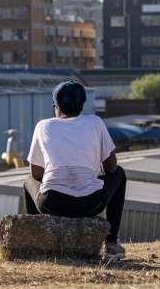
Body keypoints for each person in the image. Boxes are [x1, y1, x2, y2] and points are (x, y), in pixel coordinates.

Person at [23, 79, 127, 259]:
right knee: (120, 174)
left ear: (57, 107)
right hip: (90, 203)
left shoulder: (43, 125)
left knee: (27, 181)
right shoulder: (95, 122)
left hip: (52, 203)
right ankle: (111, 244)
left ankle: (35, 241)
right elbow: (112, 167)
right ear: (82, 105)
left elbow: (36, 174)